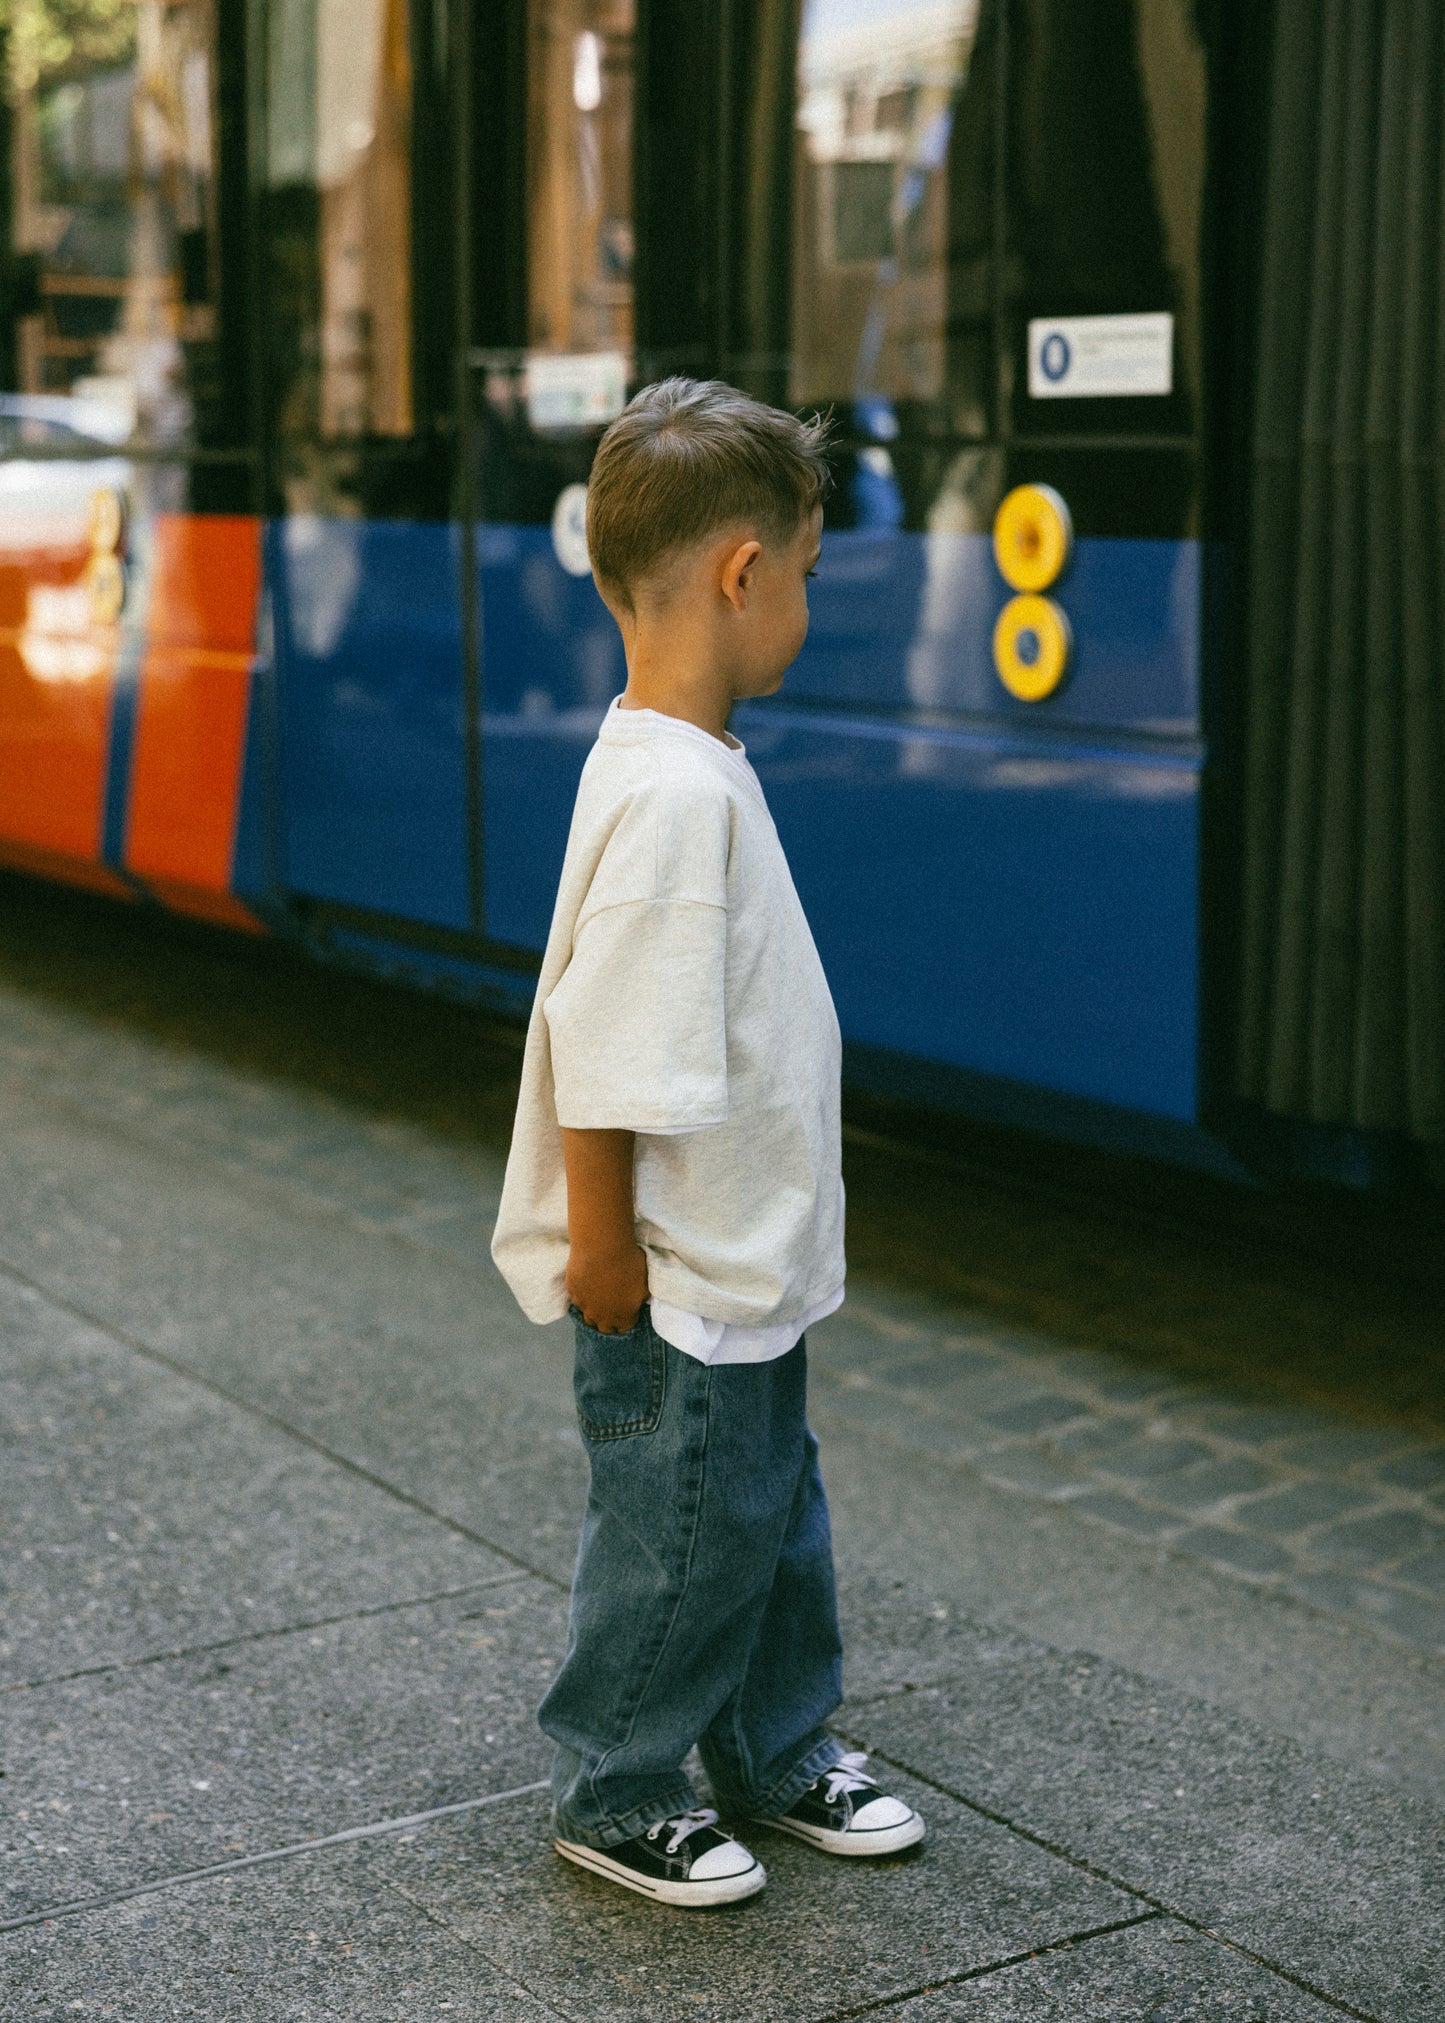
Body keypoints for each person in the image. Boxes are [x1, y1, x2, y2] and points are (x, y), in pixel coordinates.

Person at [492, 377, 926, 1907]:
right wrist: (603, 1244)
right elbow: (605, 1053)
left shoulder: (677, 763)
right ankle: (614, 1783)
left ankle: (777, 1746)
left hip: (735, 1265)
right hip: (674, 1282)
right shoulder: (676, 797)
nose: (805, 603)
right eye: (804, 575)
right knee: (682, 1542)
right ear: (743, 573)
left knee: (764, 1518)